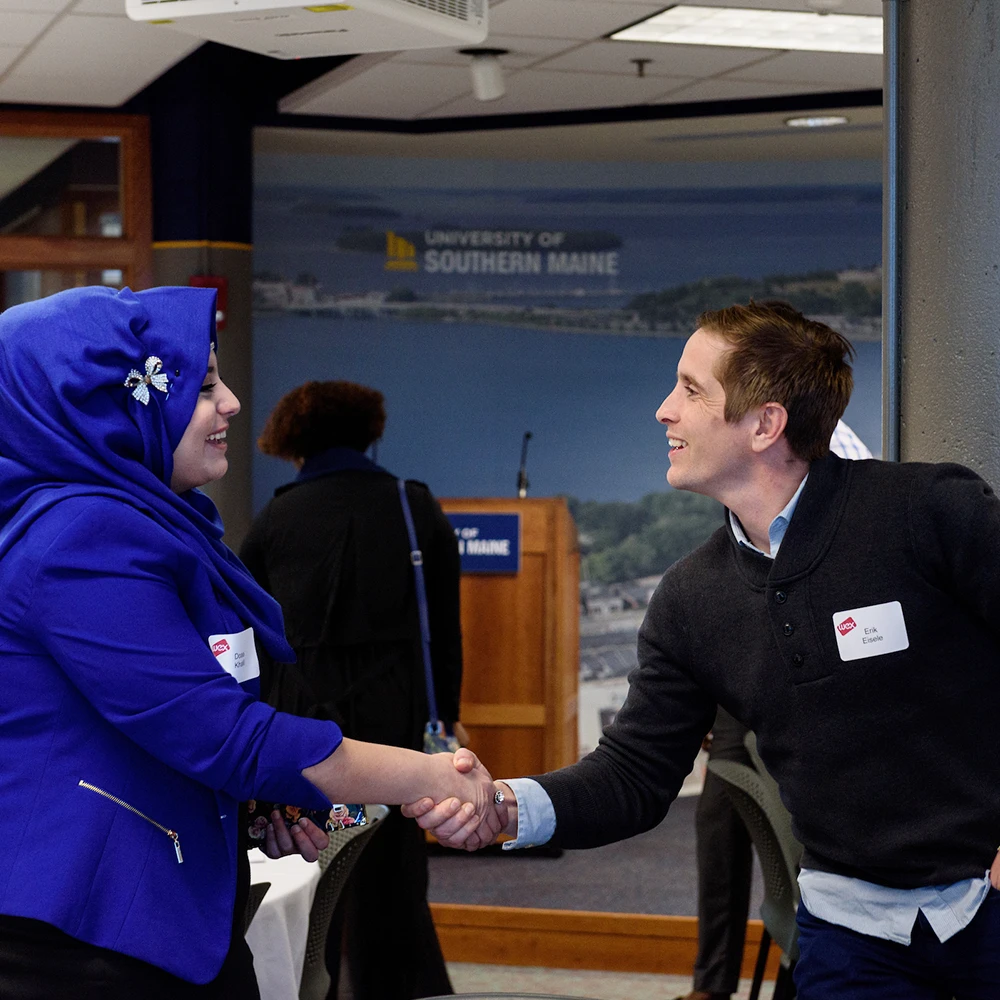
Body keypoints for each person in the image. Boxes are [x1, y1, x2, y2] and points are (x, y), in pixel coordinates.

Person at [408, 300, 1000, 999]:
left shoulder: (925, 511)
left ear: (764, 424)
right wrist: (509, 806)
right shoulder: (692, 599)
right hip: (851, 934)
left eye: (691, 390)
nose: (664, 410)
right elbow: (634, 774)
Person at [0, 286, 500, 999]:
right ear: (112, 406)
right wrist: (426, 774)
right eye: (203, 387)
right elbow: (222, 736)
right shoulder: (82, 540)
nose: (232, 402)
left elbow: (148, 724)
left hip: (143, 910)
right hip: (78, 931)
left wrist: (259, 801)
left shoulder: (151, 522)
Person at [240, 379, 463, 999]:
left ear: (293, 437)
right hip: (396, 710)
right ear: (370, 430)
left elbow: (248, 637)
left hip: (302, 719)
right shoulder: (411, 505)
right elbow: (443, 631)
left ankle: (310, 977)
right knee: (393, 872)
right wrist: (445, 718)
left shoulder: (275, 516)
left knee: (310, 860)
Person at [682, 420, 872, 1000]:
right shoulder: (735, 463)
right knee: (722, 819)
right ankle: (712, 985)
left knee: (803, 823)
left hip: (820, 670)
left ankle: (806, 966)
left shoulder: (836, 448)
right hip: (752, 665)